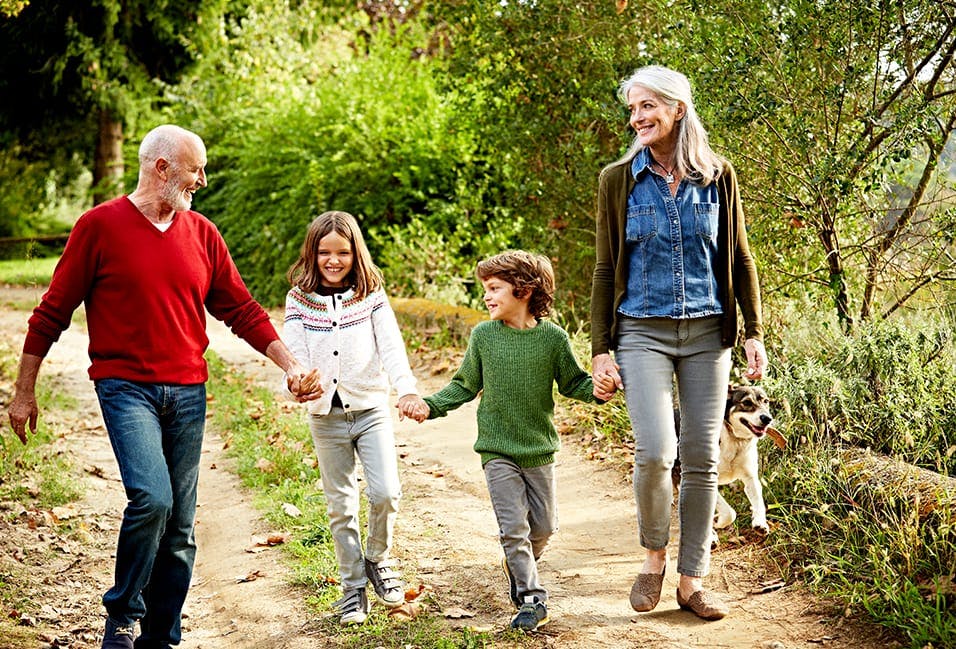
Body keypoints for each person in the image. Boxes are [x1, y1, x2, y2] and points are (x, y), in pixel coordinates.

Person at [5, 124, 321, 649]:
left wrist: (288, 364)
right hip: (125, 387)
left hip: (188, 391)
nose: (202, 179)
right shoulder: (99, 227)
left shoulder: (202, 233)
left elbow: (240, 309)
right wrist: (23, 391)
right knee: (152, 498)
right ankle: (123, 616)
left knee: (179, 527)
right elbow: (51, 313)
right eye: (196, 168)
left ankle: (160, 635)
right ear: (162, 168)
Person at [589, 65, 767, 621]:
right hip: (641, 330)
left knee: (700, 459)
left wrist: (754, 331)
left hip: (709, 331)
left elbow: (738, 257)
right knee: (656, 452)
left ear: (677, 111)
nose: (637, 118)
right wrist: (600, 347)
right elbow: (603, 269)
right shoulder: (617, 180)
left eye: (647, 107)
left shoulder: (719, 175)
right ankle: (652, 558)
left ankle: (693, 580)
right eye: (633, 109)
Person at [404, 250, 607, 632]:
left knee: (543, 528)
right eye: (485, 289)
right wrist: (430, 406)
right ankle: (532, 598)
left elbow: (573, 382)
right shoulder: (483, 336)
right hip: (497, 451)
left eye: (494, 288)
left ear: (524, 290)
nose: (487, 296)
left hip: (539, 450)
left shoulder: (553, 339)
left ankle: (518, 563)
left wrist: (599, 390)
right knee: (513, 528)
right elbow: (465, 384)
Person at [282, 210, 426, 625]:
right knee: (341, 505)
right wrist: (295, 383)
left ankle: (377, 559)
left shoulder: (372, 295)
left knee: (386, 492)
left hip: (371, 409)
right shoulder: (299, 299)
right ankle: (352, 587)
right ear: (312, 254)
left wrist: (408, 389)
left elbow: (392, 348)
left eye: (342, 252)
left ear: (354, 253)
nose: (333, 260)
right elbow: (293, 355)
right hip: (325, 416)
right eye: (324, 252)